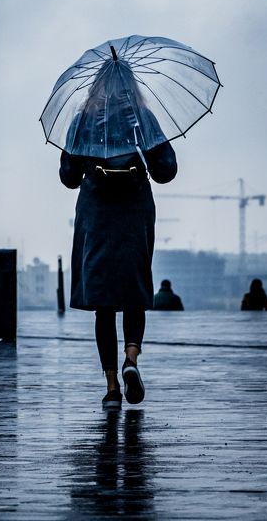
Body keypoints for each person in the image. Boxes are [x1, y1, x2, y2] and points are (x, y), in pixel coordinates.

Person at [59, 69, 177, 411]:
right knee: (134, 290)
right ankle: (131, 358)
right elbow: (166, 170)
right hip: (134, 209)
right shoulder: (142, 118)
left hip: (97, 211)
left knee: (104, 303)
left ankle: (112, 388)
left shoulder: (83, 120)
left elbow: (69, 177)